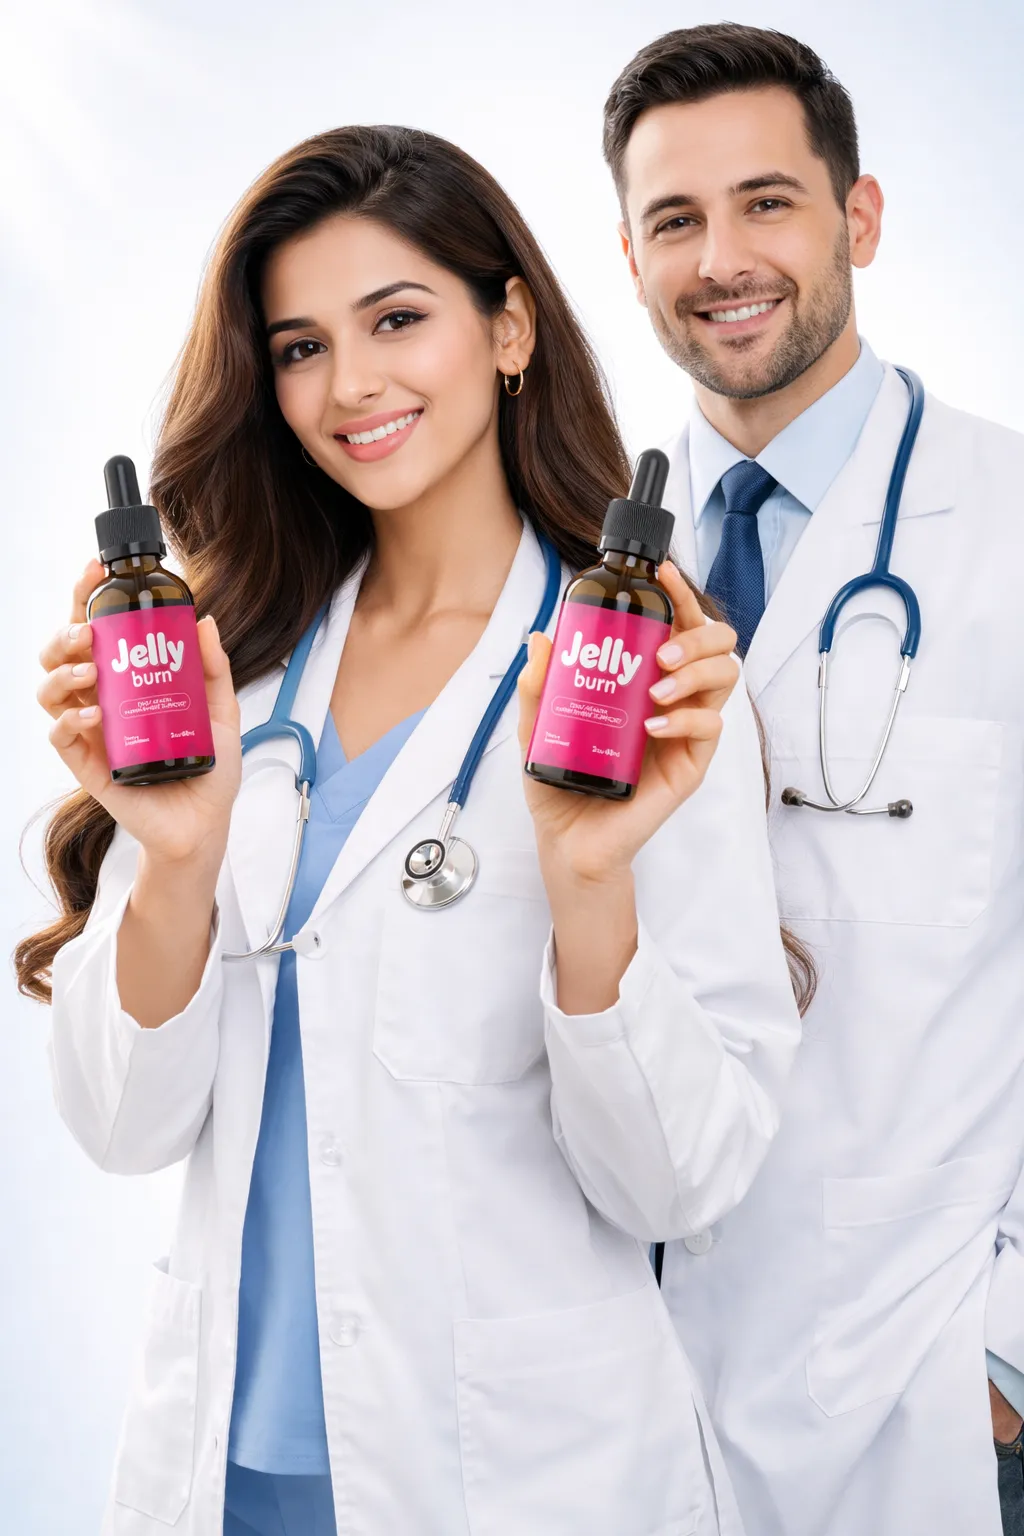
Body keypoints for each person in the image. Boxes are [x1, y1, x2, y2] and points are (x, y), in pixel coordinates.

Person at [17, 125, 806, 1535]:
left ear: (509, 326)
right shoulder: (228, 676)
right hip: (226, 1480)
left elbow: (681, 1182)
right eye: (303, 344)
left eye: (397, 319)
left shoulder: (642, 684)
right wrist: (178, 859)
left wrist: (588, 887)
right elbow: (125, 1125)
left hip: (525, 1478)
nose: (351, 384)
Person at [602, 21, 1024, 1536]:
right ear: (630, 256)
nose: (722, 257)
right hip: (627, 1418)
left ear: (859, 218)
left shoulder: (1010, 530)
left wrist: (1008, 1359)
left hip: (933, 1414)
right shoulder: (571, 589)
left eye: (767, 203)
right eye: (674, 220)